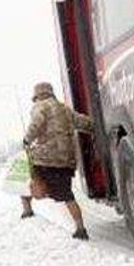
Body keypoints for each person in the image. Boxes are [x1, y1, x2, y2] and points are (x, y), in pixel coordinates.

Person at [22, 82, 94, 240]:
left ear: (38, 96)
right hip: (65, 161)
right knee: (67, 195)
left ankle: (27, 209)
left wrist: (27, 140)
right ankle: (80, 228)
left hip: (46, 159)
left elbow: (36, 124)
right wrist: (96, 126)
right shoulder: (64, 109)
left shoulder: (41, 106)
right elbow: (83, 122)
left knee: (23, 174)